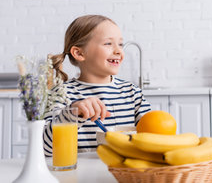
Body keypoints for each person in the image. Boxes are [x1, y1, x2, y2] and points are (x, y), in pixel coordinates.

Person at [43, 15, 151, 156]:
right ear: (79, 53)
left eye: (120, 44)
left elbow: (152, 137)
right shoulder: (61, 94)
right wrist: (72, 113)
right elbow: (46, 148)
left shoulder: (132, 93)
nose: (118, 51)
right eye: (108, 44)